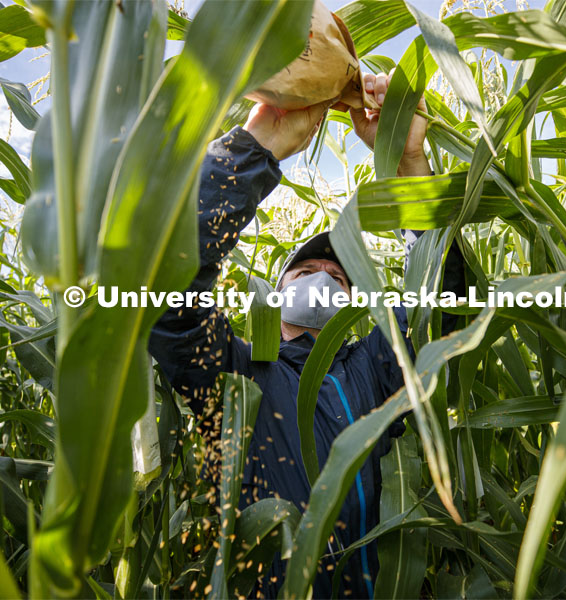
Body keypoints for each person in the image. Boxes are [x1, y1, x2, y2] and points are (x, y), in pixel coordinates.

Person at [148, 73, 463, 598]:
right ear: (272, 295)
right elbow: (170, 286)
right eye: (303, 272)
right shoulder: (234, 376)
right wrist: (260, 146)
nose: (322, 280)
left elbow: (443, 304)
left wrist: (408, 163)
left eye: (339, 276)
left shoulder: (374, 372)